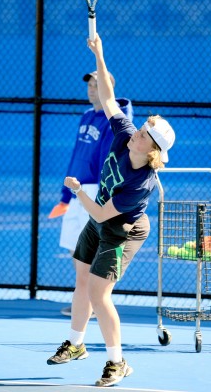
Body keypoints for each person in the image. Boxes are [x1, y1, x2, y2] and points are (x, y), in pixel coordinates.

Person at [46, 33, 175, 388]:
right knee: (82, 280)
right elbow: (107, 97)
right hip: (100, 217)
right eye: (143, 128)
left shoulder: (141, 182)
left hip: (123, 229)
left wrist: (75, 191)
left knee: (99, 294)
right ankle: (75, 344)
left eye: (146, 134)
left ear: (153, 150)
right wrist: (100, 54)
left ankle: (118, 363)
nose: (139, 132)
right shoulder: (124, 133)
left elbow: (104, 215)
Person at [49, 71, 133, 317]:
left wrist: (103, 192)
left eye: (97, 85)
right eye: (90, 85)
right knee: (75, 247)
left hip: (97, 189)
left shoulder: (116, 116)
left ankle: (94, 301)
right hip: (77, 189)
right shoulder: (86, 116)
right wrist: (65, 196)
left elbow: (112, 154)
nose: (91, 89)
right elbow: (77, 154)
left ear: (108, 88)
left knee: (92, 247)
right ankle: (82, 297)